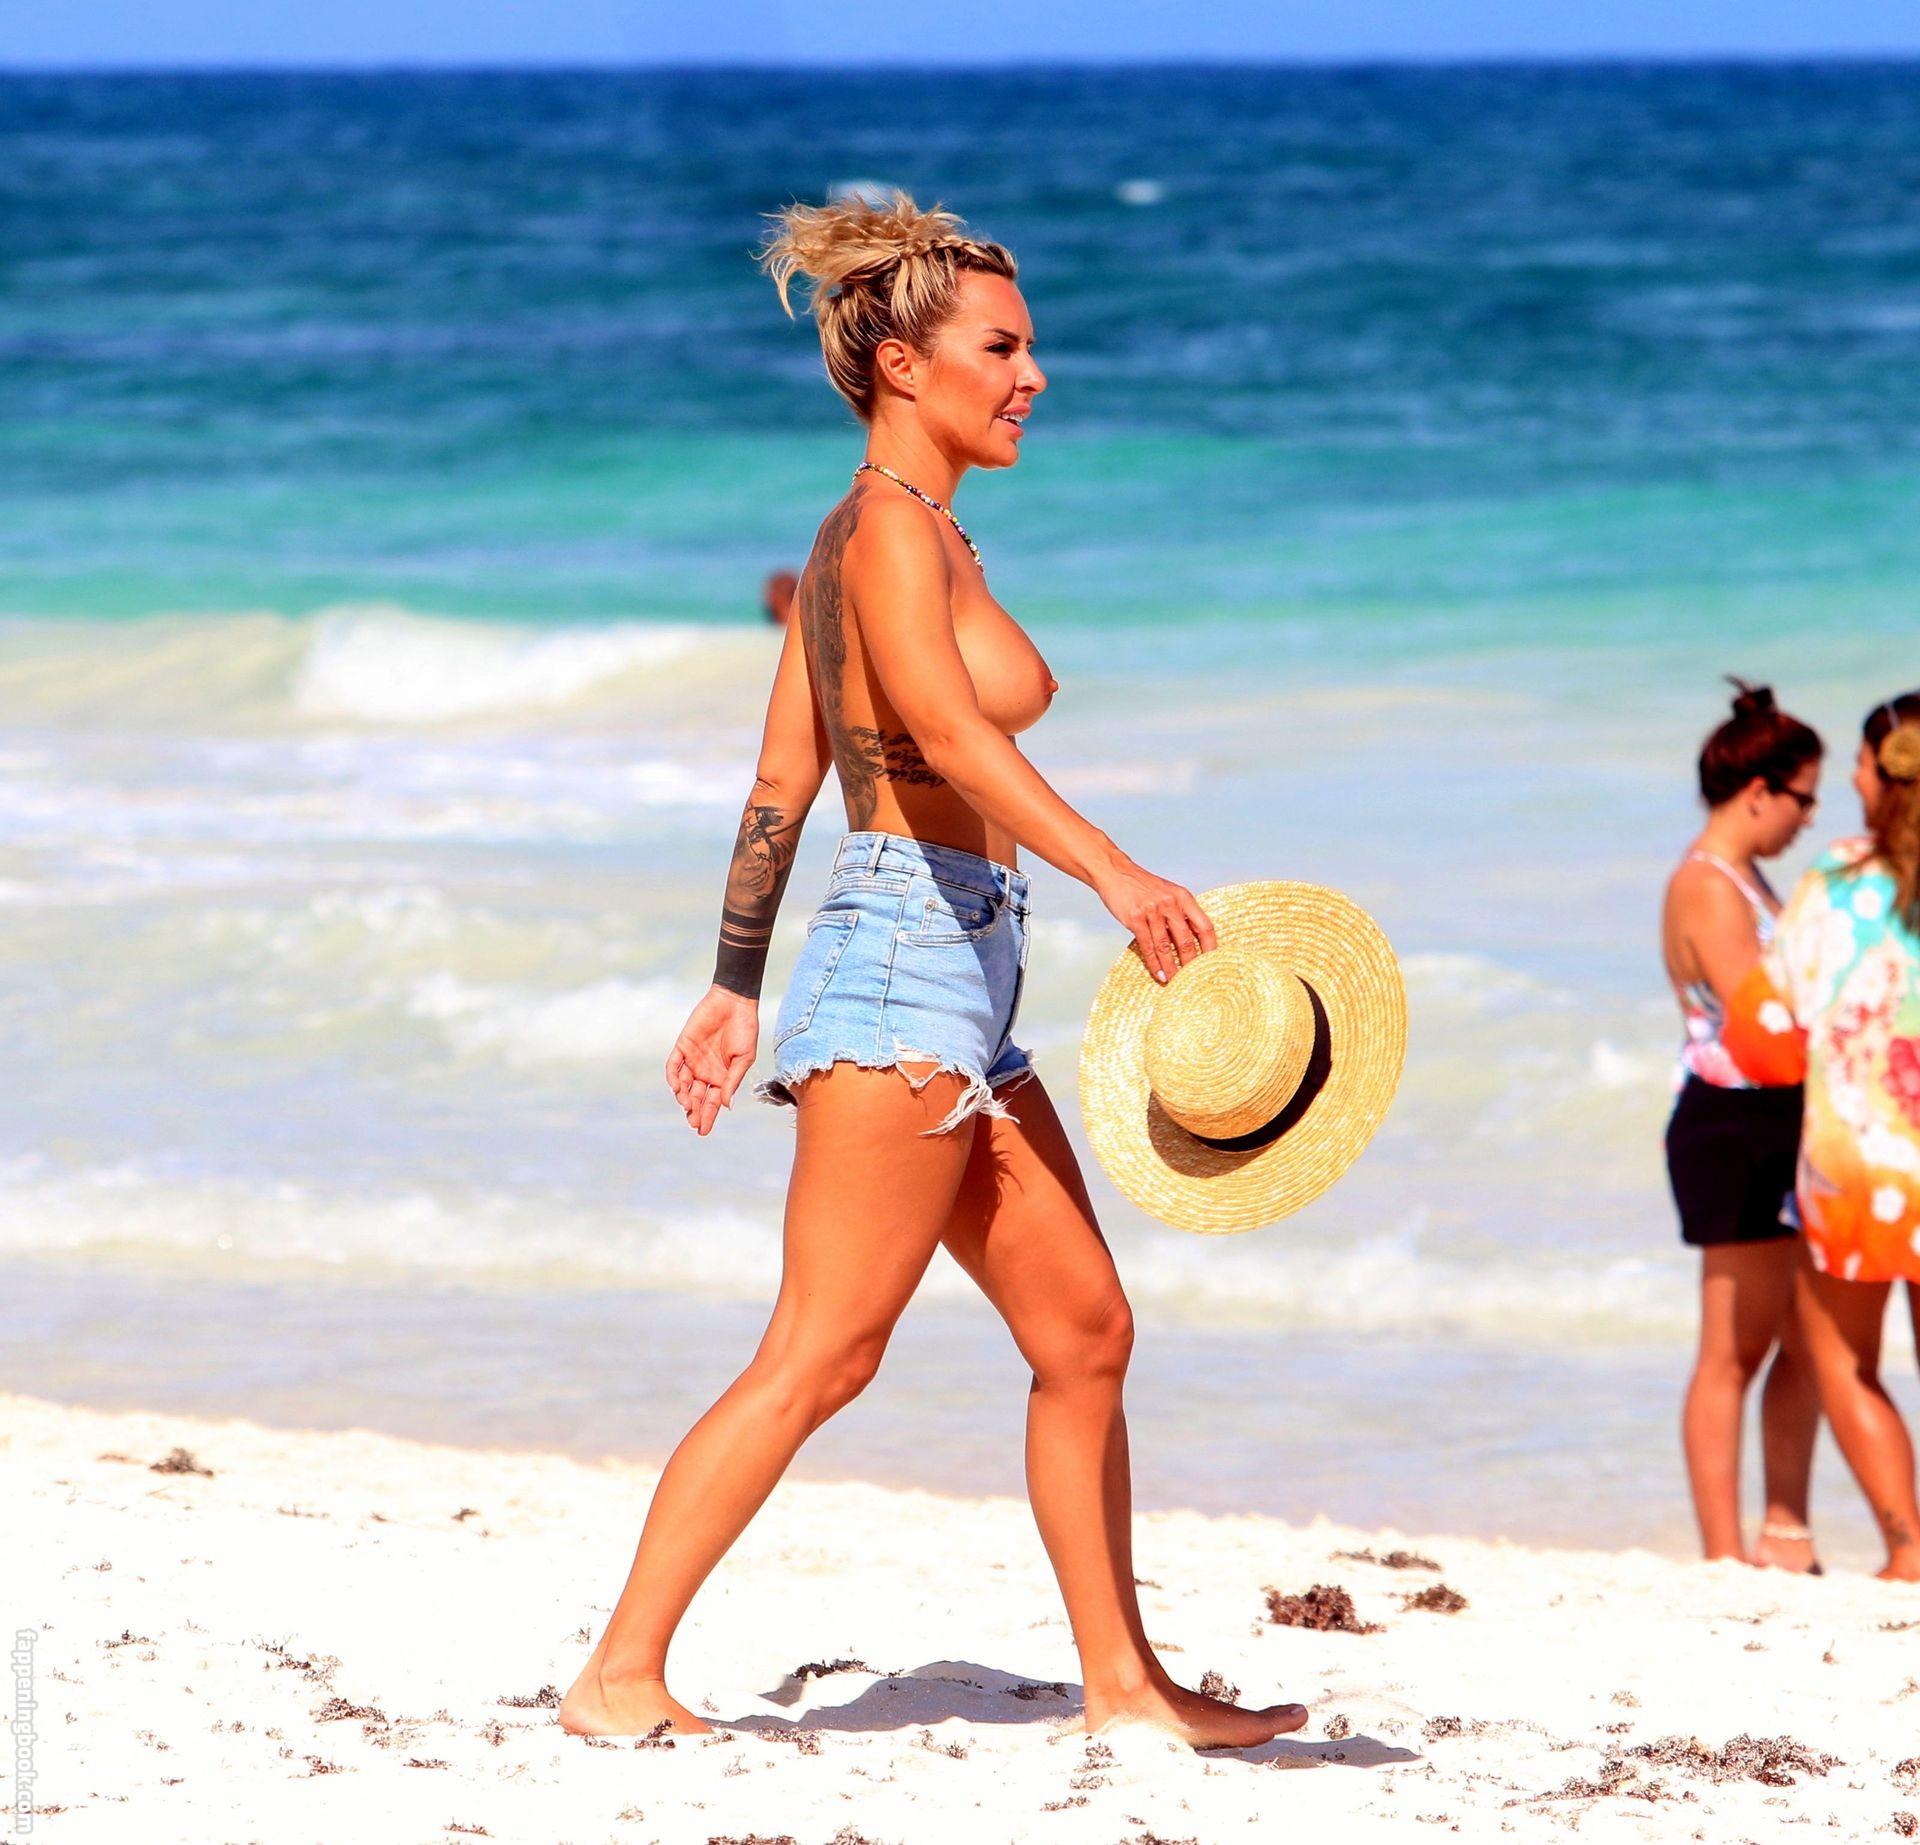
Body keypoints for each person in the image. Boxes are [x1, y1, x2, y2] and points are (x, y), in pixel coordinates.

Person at [559, 191, 1307, 1747]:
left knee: (1085, 1332)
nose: (1033, 376)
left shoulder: (887, 531)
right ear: (904, 363)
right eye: (1002, 348)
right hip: (905, 968)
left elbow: (782, 778)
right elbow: (954, 739)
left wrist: (733, 983)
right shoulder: (887, 530)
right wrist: (1115, 869)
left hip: (954, 975)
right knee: (824, 1351)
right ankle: (619, 1673)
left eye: (1029, 349)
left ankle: (1125, 1686)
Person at [1728, 691, 1920, 1581]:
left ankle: (1909, 1551)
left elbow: (1765, 1030)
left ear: (1884, 775)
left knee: (1843, 1361)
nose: (1849, 777)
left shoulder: (1839, 879)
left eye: (1859, 763)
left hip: (1856, 1170)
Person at [1661, 681, 1823, 1569]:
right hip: (1734, 1123)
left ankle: (1786, 1532)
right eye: (1803, 796)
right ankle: (1725, 1553)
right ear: (1759, 790)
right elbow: (1761, 1020)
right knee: (1733, 1349)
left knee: (1807, 1339)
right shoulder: (1706, 884)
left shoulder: (1748, 879)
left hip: (1775, 1117)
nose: (1809, 816)